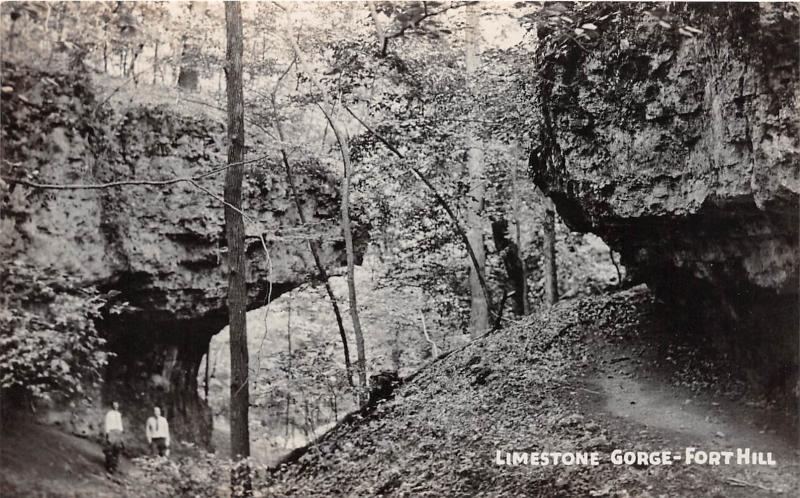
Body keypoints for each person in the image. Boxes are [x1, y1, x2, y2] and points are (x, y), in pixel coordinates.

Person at [103, 401, 124, 473]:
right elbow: (107, 424)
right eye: (114, 405)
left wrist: (121, 434)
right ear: (112, 406)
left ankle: (114, 466)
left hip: (118, 432)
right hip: (111, 432)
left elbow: (120, 425)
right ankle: (109, 465)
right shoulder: (109, 414)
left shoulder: (119, 414)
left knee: (117, 449)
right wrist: (108, 434)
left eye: (117, 405)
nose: (116, 406)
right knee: (110, 449)